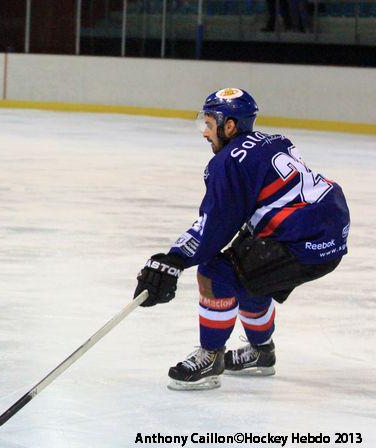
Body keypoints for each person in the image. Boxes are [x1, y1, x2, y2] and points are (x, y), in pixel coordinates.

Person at [133, 88, 349, 390]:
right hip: (328, 229)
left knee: (215, 272)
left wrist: (174, 259)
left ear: (230, 126)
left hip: (302, 238)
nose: (205, 133)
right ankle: (261, 353)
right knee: (249, 275)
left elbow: (216, 224)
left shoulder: (229, 161)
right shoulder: (274, 140)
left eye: (210, 125)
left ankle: (211, 357)